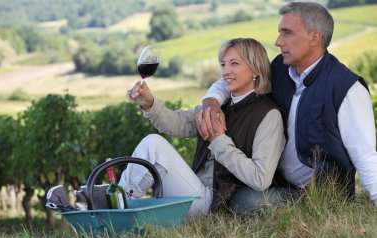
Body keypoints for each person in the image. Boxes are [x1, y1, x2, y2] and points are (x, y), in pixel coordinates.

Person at [199, 2, 377, 209]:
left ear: (315, 37)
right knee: (233, 195)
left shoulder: (347, 88)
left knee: (243, 202)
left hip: (321, 197)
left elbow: (364, 154)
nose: (277, 41)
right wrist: (212, 101)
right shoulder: (280, 68)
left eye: (287, 33)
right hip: (275, 182)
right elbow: (239, 78)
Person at [118, 38, 286, 217]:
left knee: (153, 145)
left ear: (255, 69)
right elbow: (177, 124)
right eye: (223, 64)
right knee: (152, 144)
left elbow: (260, 179)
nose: (225, 71)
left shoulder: (269, 115)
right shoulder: (219, 106)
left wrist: (219, 140)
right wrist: (149, 104)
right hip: (195, 190)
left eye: (234, 64)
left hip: (215, 204)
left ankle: (114, 208)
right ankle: (114, 205)